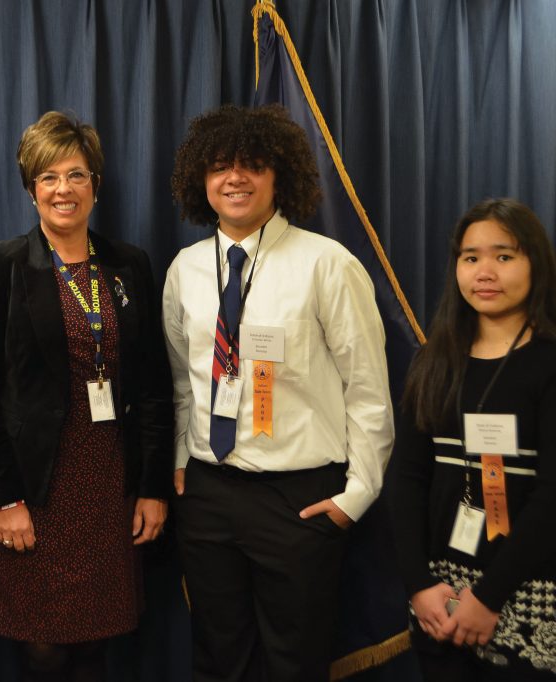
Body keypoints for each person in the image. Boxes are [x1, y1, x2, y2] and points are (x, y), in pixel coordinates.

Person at [162, 104, 394, 681]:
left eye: (252, 165)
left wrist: (356, 495)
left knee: (295, 663)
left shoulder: (327, 264)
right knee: (217, 658)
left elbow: (367, 389)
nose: (234, 178)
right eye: (220, 167)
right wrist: (178, 462)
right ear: (202, 180)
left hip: (300, 500)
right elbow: (180, 383)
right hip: (209, 494)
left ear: (279, 175)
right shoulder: (185, 269)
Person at [0, 110, 173, 681]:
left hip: (108, 485)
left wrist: (152, 488)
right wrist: (3, 499)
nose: (63, 189)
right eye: (48, 177)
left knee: (99, 638)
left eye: (76, 175)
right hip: (33, 491)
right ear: (31, 190)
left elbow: (152, 386)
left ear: (96, 187)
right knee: (44, 646)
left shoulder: (128, 265)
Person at [386, 198, 556, 681]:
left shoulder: (548, 362)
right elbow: (407, 479)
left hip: (528, 599)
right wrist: (420, 585)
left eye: (504, 256)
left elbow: (551, 498)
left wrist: (489, 597)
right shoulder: (434, 360)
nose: (486, 271)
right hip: (441, 598)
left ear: (535, 264)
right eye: (470, 257)